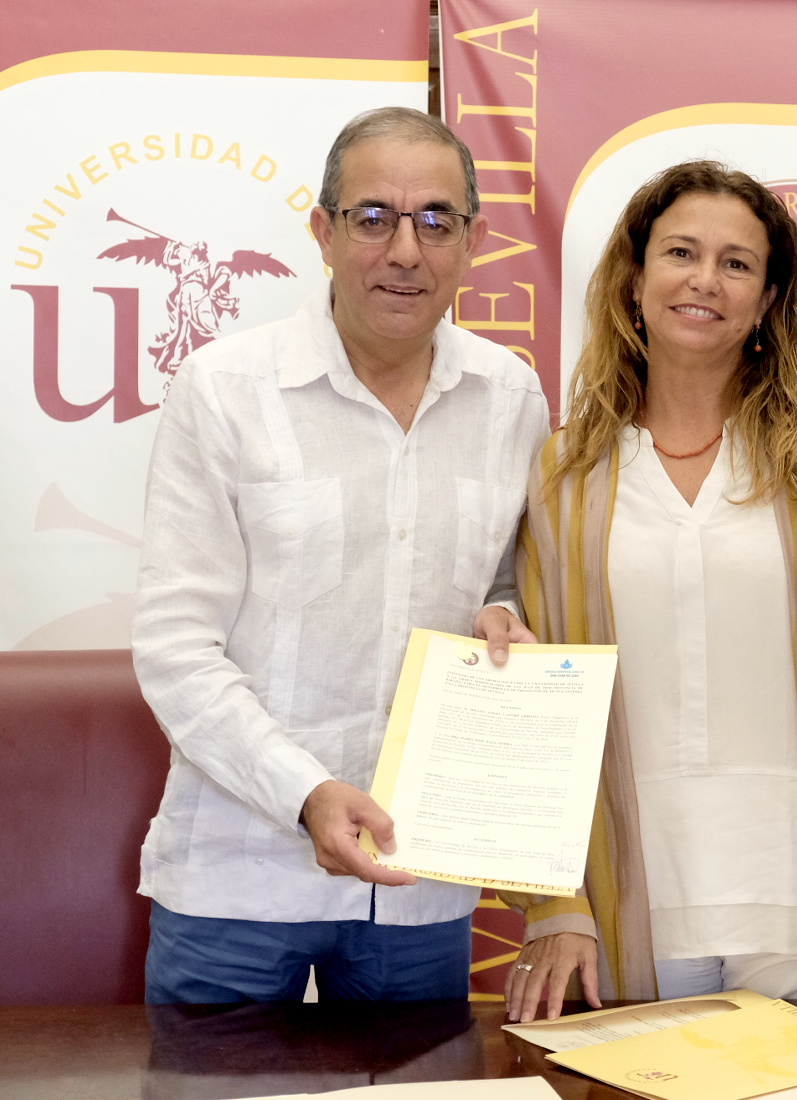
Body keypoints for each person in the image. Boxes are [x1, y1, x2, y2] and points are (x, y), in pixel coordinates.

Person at [501, 162, 797, 1030]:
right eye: (681, 253)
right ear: (634, 280)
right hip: (630, 903)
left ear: (770, 299)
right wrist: (554, 898)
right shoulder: (566, 473)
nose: (706, 280)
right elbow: (545, 710)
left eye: (737, 264)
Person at [132, 106, 548, 1003]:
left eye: (437, 220)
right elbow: (175, 649)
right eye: (374, 218)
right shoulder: (224, 390)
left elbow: (509, 581)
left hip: (419, 883)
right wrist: (306, 792)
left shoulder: (511, 396)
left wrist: (508, 619)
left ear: (472, 242)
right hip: (237, 877)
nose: (407, 250)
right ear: (323, 233)